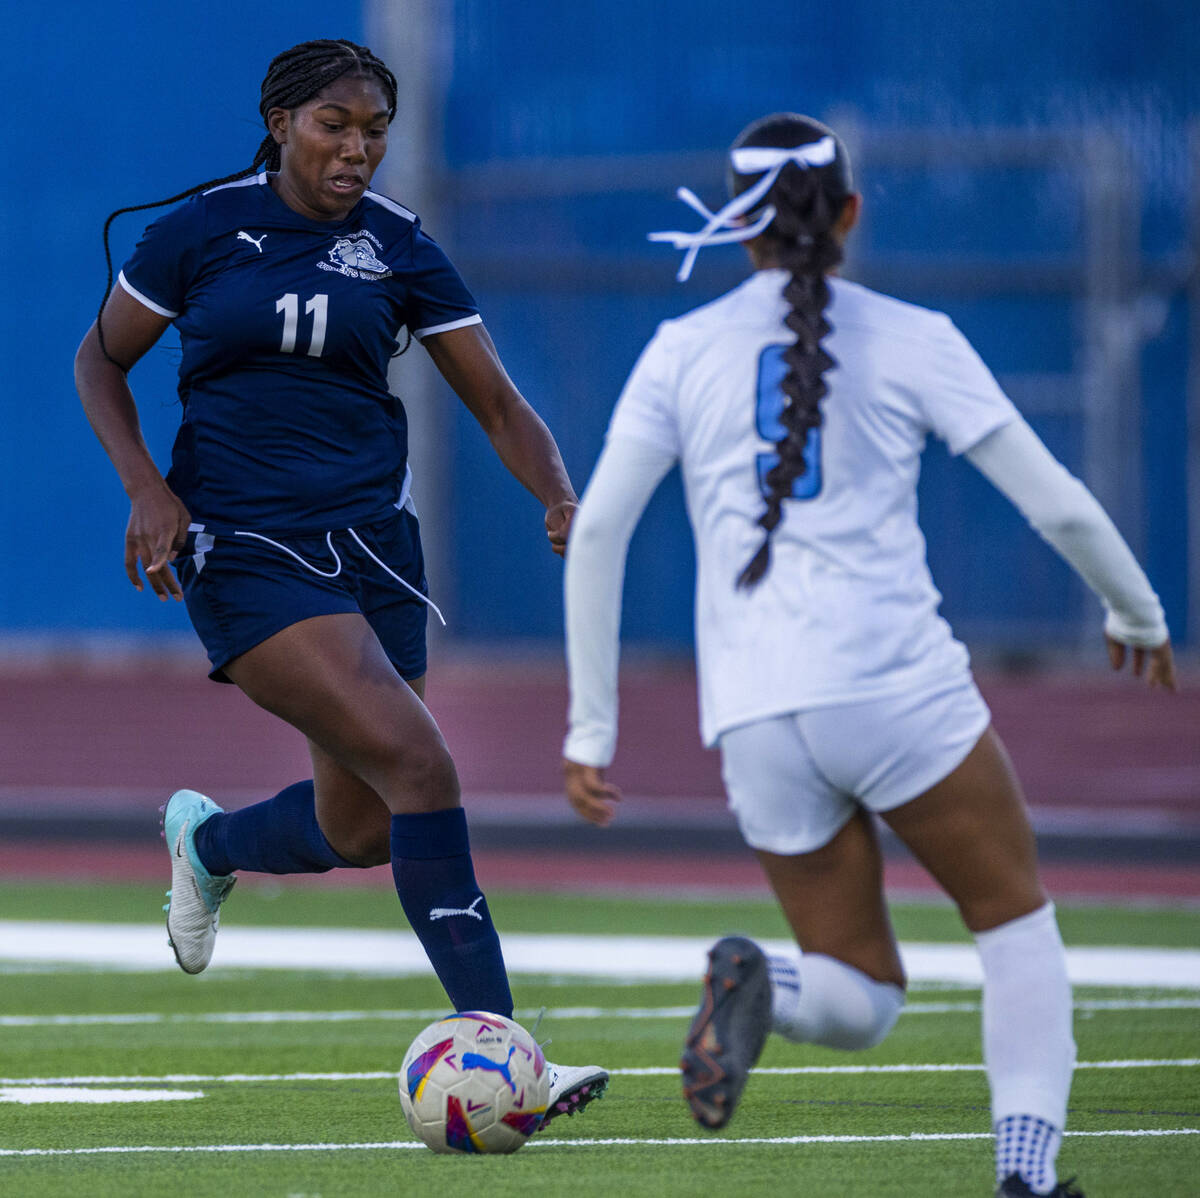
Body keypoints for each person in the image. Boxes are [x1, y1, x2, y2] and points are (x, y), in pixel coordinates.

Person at [561, 113, 1177, 1195]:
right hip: (896, 689)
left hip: (752, 712)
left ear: (739, 227)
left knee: (861, 992)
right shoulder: (913, 335)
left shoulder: (678, 349)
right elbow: (1059, 505)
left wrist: (590, 728)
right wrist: (1137, 614)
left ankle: (763, 986)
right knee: (1015, 922)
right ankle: (1027, 1177)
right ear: (850, 214)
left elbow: (599, 530)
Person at [74, 37, 606, 1125]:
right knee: (421, 760)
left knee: (363, 825)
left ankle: (210, 843)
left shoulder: (400, 248)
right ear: (280, 123)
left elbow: (499, 403)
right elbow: (99, 360)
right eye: (335, 126)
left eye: (374, 131)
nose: (356, 149)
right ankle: (513, 1062)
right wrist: (147, 490)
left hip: (373, 551)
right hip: (245, 546)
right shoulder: (201, 231)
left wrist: (560, 494)